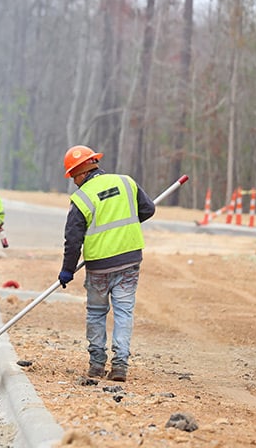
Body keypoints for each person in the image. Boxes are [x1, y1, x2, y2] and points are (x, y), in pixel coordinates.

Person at [57, 144, 156, 383]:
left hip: (100, 265)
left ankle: (97, 364)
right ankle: (120, 365)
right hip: (130, 260)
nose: (74, 182)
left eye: (73, 177)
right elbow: (148, 209)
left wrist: (67, 269)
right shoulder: (126, 182)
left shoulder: (81, 197)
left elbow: (73, 238)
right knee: (124, 313)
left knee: (96, 312)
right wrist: (128, 224)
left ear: (80, 173)